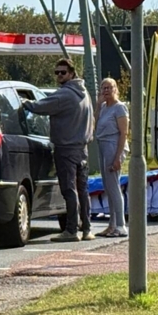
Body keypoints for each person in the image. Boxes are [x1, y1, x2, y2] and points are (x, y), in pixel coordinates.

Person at [22, 58, 95, 242]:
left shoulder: (65, 95)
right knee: (82, 190)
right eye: (56, 72)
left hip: (66, 149)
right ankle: (86, 229)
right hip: (82, 148)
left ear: (72, 73)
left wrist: (25, 103)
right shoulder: (84, 93)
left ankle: (71, 231)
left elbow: (41, 106)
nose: (59, 76)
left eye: (62, 72)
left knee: (69, 190)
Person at [95, 77, 129, 237]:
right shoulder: (103, 107)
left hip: (113, 146)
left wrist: (117, 157)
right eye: (104, 88)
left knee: (114, 186)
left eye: (109, 87)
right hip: (102, 145)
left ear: (115, 89)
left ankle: (121, 225)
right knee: (107, 187)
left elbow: (123, 133)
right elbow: (95, 123)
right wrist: (97, 104)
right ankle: (111, 225)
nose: (106, 90)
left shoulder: (119, 108)